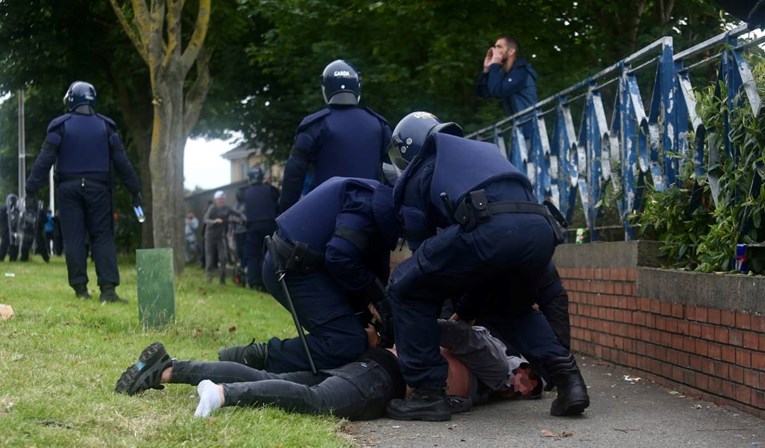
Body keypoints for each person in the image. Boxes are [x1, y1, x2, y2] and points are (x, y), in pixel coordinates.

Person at [383, 111, 588, 421]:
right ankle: (570, 383)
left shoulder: (419, 170)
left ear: (407, 151)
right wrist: (465, 312)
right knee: (509, 310)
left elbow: (424, 259)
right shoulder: (483, 152)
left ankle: (427, 394)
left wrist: (423, 325)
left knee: (405, 285)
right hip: (540, 229)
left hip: (490, 227)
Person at [114, 319, 540, 420]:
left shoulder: (485, 387)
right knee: (318, 403)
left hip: (373, 368)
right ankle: (221, 394)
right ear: (522, 366)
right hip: (381, 375)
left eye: (529, 391)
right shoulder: (494, 359)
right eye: (528, 380)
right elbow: (461, 334)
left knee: (272, 381)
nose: (522, 390)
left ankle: (168, 370)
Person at [218, 177, 400, 374]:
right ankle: (254, 357)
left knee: (352, 335)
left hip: (300, 262)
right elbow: (339, 256)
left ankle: (252, 357)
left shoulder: (372, 196)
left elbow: (369, 273)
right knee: (348, 342)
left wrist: (378, 310)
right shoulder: (368, 205)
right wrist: (377, 297)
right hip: (292, 268)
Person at [25, 81, 142, 302]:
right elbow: (122, 162)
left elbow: (45, 160)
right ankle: (108, 290)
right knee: (102, 237)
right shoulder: (106, 126)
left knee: (74, 238)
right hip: (99, 188)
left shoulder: (60, 126)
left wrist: (30, 189)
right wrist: (134, 190)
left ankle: (81, 290)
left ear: (71, 100)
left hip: (68, 189)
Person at [278, 60, 392, 212]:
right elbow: (394, 172)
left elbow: (294, 174)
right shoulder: (379, 124)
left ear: (325, 88)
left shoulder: (315, 125)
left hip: (326, 214)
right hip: (371, 212)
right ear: (357, 86)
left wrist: (285, 212)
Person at [476, 36, 538, 140]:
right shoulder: (504, 74)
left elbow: (498, 91)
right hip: (519, 130)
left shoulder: (521, 71)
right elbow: (484, 92)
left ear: (511, 51)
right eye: (495, 47)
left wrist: (495, 64)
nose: (495, 50)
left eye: (499, 47)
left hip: (530, 129)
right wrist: (486, 70)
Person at [242, 167, 280, 291]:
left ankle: (254, 282)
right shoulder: (270, 189)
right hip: (269, 224)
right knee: (270, 254)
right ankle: (271, 282)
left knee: (253, 255)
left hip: (252, 226)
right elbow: (278, 201)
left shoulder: (245, 192)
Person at [202, 191, 244, 285]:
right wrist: (214, 221)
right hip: (210, 237)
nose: (220, 202)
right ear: (215, 200)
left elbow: (237, 214)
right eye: (219, 200)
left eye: (222, 200)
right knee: (210, 258)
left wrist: (242, 218)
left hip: (220, 237)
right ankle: (209, 279)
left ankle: (222, 279)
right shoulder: (212, 208)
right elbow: (205, 220)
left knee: (223, 257)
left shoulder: (227, 209)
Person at [0, 194, 20, 262]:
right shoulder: (4, 209)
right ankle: (1, 258)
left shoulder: (16, 210)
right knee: (4, 245)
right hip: (6, 230)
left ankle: (13, 258)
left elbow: (18, 219)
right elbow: (1, 218)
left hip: (14, 230)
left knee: (15, 244)